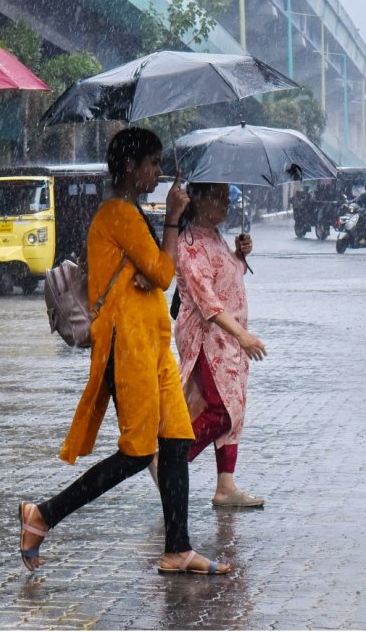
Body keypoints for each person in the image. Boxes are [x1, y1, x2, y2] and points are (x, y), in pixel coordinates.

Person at [18, 127, 231, 576]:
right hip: (128, 348)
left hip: (154, 345)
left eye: (157, 162)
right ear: (129, 168)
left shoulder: (130, 213)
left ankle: (178, 549)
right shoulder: (118, 212)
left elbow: (151, 272)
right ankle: (43, 516)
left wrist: (149, 266)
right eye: (150, 163)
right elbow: (163, 272)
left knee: (176, 439)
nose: (156, 171)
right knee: (137, 452)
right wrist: (173, 219)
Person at [174, 183, 267, 507]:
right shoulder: (189, 242)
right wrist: (241, 336)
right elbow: (206, 300)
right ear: (199, 199)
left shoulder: (212, 234)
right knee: (221, 409)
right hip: (208, 336)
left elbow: (228, 277)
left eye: (229, 198)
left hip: (229, 337)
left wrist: (239, 256)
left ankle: (225, 485)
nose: (227, 205)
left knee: (235, 407)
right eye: (221, 198)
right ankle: (171, 459)